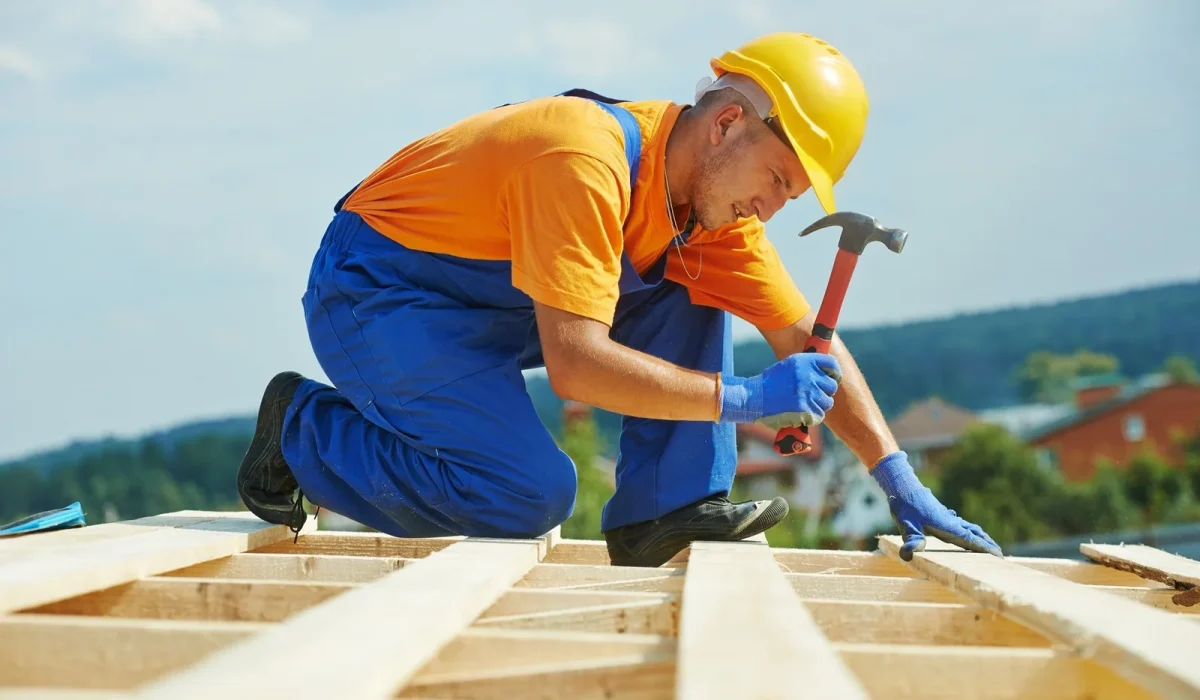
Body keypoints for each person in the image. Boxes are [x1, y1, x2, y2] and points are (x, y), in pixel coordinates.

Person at [236, 32, 1002, 567]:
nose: (772, 208)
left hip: (490, 303)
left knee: (691, 280)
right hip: (379, 292)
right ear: (728, 124)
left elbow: (807, 341)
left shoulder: (710, 211)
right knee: (526, 496)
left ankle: (663, 510)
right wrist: (743, 396)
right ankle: (300, 432)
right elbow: (575, 366)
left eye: (791, 196)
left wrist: (894, 473)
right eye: (776, 181)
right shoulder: (581, 159)